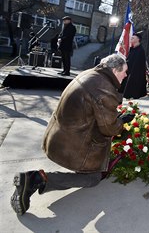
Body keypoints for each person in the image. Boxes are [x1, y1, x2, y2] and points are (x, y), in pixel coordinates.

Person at [10, 54, 135, 215]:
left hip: (58, 135)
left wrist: (116, 118)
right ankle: (36, 179)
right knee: (93, 179)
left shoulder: (91, 74)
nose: (125, 75)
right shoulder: (103, 88)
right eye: (124, 71)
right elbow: (108, 129)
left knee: (91, 171)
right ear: (114, 70)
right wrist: (122, 125)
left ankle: (36, 179)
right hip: (73, 144)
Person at [119, 32, 147, 99]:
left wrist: (132, 71)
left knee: (133, 89)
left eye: (133, 37)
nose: (131, 38)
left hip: (136, 72)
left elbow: (139, 64)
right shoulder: (132, 49)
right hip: (128, 71)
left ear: (138, 39)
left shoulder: (140, 50)